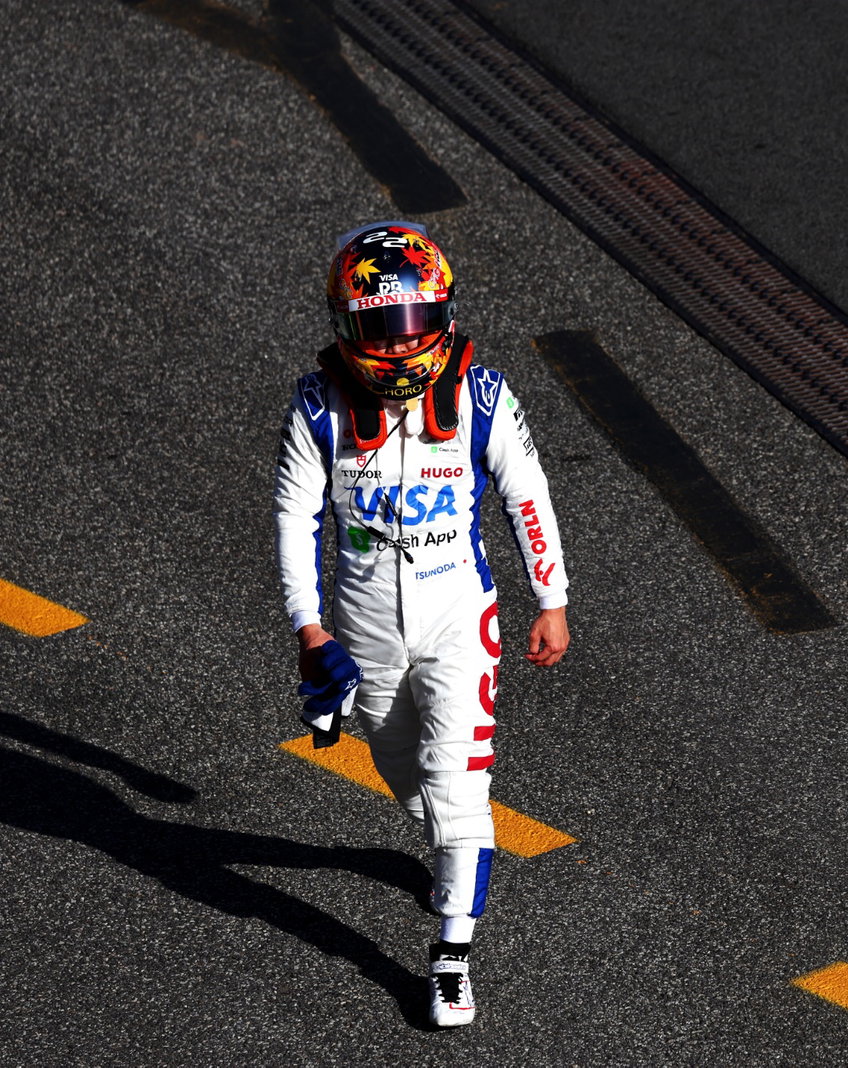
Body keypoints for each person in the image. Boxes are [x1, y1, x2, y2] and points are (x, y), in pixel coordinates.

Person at [274, 221, 569, 1027]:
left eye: (414, 325)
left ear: (442, 315)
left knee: (460, 788)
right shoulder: (317, 407)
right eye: (379, 328)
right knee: (400, 768)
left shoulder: (483, 395)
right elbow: (294, 518)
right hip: (363, 627)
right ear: (344, 326)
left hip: (458, 618)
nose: (400, 348)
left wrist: (553, 598)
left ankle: (450, 957)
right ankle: (449, 850)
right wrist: (311, 632)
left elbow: (528, 496)